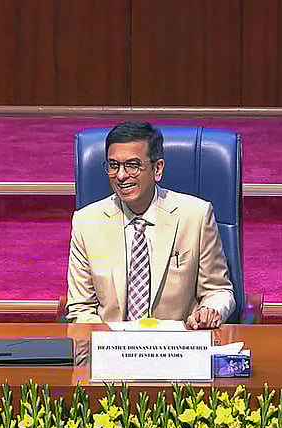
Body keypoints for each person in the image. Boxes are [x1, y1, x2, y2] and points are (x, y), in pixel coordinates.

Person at [66, 121, 235, 328]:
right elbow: (81, 308)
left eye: (133, 165)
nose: (121, 176)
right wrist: (109, 343)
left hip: (177, 347)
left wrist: (211, 310)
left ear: (157, 169)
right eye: (114, 165)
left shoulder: (196, 216)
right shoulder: (86, 223)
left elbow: (218, 291)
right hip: (111, 348)